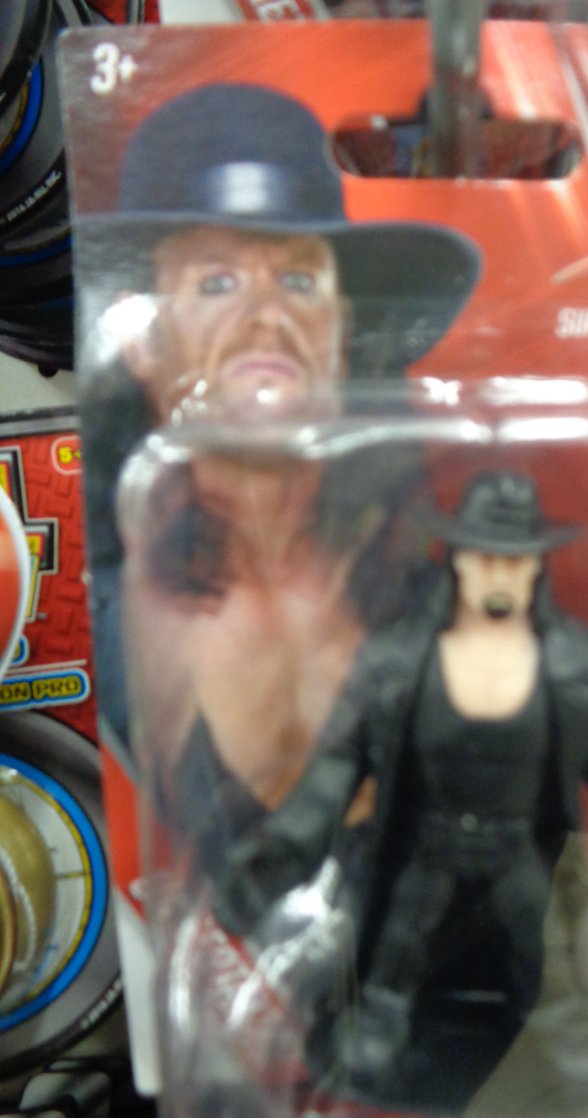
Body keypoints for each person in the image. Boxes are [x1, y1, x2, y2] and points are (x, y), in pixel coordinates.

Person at [210, 470, 588, 1118]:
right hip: (426, 853)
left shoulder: (577, 666)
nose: (500, 576)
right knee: (394, 960)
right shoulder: (396, 662)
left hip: (520, 854)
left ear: (535, 568)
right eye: (485, 558)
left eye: (515, 562)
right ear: (458, 561)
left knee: (549, 966)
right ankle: (379, 1024)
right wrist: (271, 863)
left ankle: (562, 1031)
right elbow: (333, 774)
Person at [78, 82, 481, 769]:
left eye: (299, 281)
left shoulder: (434, 611)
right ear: (141, 340)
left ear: (341, 332)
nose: (268, 315)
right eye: (217, 282)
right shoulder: (108, 627)